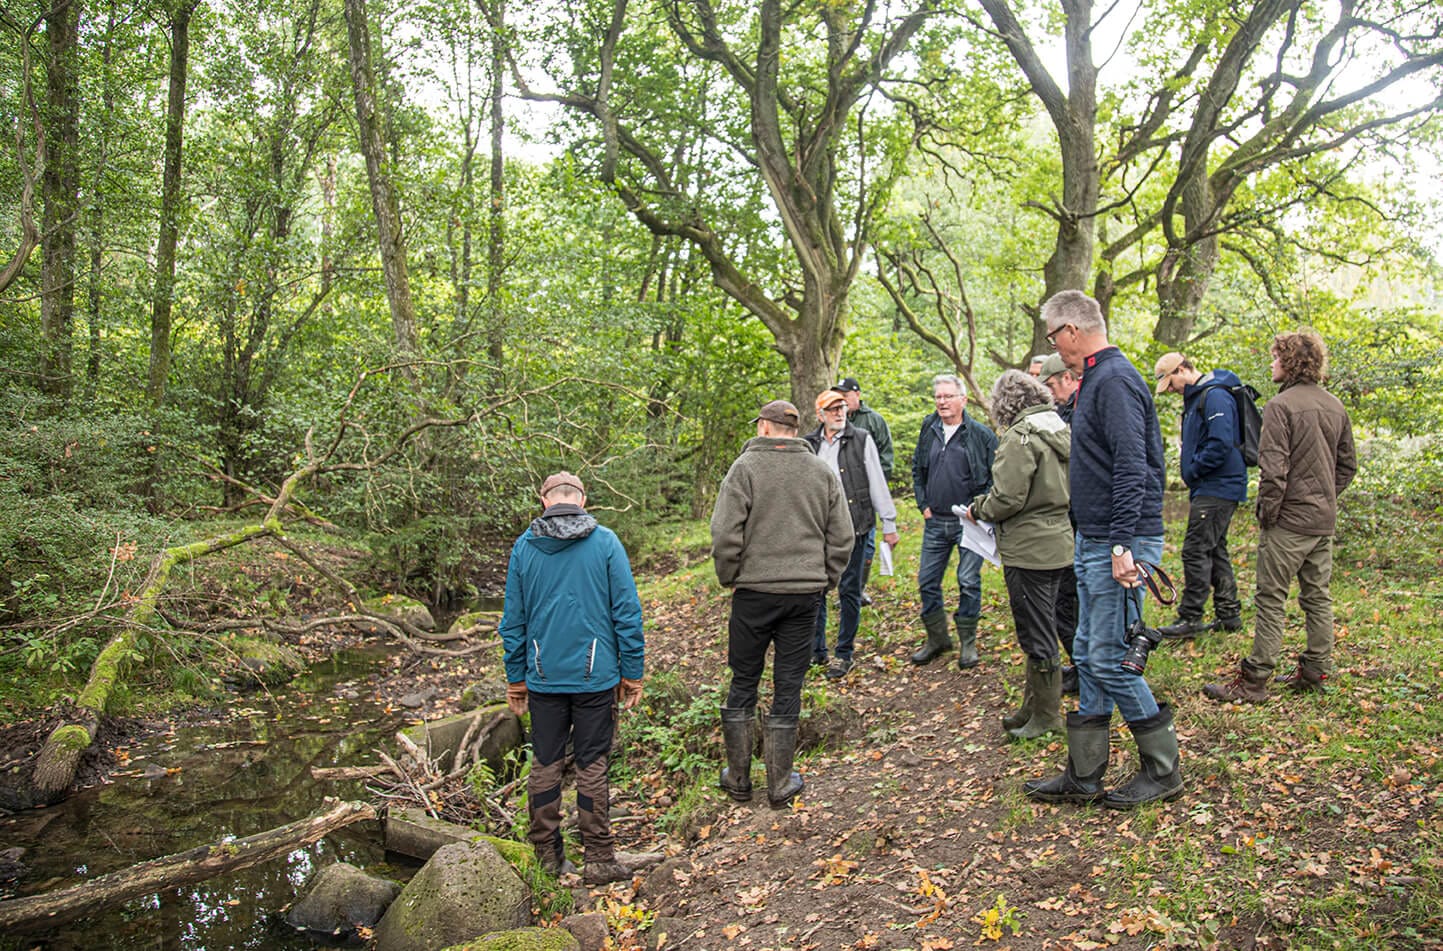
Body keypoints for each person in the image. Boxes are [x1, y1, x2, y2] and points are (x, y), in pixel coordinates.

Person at [1023, 290, 1183, 809]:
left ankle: (1163, 770)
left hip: (1120, 542)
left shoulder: (1114, 380)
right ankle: (1085, 773)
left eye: (1053, 336)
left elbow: (1134, 465)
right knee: (1089, 655)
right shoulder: (1095, 379)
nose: (1054, 348)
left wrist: (1121, 544)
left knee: (1111, 660)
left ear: (1072, 330)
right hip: (1095, 538)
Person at [500, 471, 645, 884]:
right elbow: (627, 614)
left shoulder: (525, 547)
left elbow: (513, 621)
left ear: (545, 499)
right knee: (592, 765)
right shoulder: (605, 542)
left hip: (543, 678)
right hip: (596, 677)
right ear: (582, 498)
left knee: (545, 763)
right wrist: (631, 673)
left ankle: (547, 856)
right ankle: (598, 858)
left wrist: (517, 678)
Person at [711, 400, 853, 807]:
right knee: (789, 682)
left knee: (744, 679)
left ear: (766, 428)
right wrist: (825, 578)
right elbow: (843, 535)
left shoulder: (745, 469)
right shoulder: (820, 470)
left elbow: (724, 533)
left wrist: (730, 577)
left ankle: (739, 779)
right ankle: (780, 783)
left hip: (753, 593)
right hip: (804, 595)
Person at [1203, 332, 1356, 703]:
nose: (1271, 363)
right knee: (1317, 596)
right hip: (1322, 520)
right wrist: (1323, 497)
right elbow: (1347, 466)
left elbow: (1274, 470)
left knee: (1271, 597)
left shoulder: (1281, 406)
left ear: (1290, 362)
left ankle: (1255, 679)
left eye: (1275, 357)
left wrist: (1270, 513)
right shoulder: (1335, 405)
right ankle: (1316, 669)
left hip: (1289, 522)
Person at [960, 370, 1073, 739]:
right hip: (1059, 538)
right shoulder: (1058, 427)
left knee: (1035, 629)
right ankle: (1033, 706)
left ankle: (1047, 716)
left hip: (1029, 547)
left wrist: (978, 509)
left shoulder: (1020, 438)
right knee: (1045, 624)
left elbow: (1008, 497)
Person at [804, 389, 900, 679]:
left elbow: (876, 482)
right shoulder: (808, 445)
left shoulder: (861, 439)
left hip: (856, 527)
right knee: (816, 590)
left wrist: (889, 524)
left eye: (842, 408)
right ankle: (816, 651)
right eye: (832, 409)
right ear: (820, 414)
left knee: (850, 591)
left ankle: (844, 653)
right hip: (818, 530)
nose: (839, 413)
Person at [1152, 352, 1248, 638]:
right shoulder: (1197, 399)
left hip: (1218, 485)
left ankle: (1191, 617)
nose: (1171, 390)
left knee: (1195, 550)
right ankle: (1228, 614)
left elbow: (1221, 443)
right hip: (1210, 486)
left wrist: (1193, 470)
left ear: (1183, 369)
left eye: (1171, 382)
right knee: (1215, 547)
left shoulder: (1215, 396)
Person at [910, 373, 998, 669]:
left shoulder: (981, 435)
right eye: (938, 396)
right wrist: (922, 503)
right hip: (936, 521)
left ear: (963, 399)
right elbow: (917, 467)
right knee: (926, 580)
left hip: (969, 522)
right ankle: (937, 639)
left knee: (968, 580)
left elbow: (995, 479)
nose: (942, 401)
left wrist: (979, 508)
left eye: (948, 396)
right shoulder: (929, 427)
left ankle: (968, 643)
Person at [831, 378, 894, 606]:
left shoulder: (874, 421)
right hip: (838, 497)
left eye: (846, 395)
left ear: (857, 394)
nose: (843, 400)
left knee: (866, 544)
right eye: (839, 396)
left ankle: (858, 590)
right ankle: (845, 590)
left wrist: (875, 489)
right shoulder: (834, 420)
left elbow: (886, 459)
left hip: (865, 497)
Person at [1038, 353, 1079, 423]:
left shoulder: (1084, 405)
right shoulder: (1065, 407)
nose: (1050, 392)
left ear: (1067, 378)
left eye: (1050, 385)